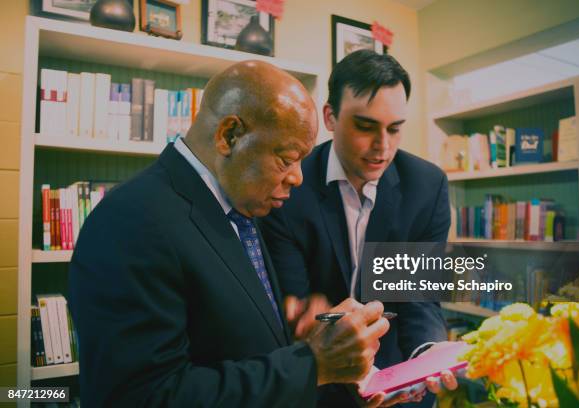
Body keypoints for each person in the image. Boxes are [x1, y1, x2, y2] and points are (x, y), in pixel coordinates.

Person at [69, 60, 394, 407]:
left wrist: (333, 367)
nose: (297, 178)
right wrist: (312, 363)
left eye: (397, 128)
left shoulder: (242, 204)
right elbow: (144, 396)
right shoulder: (130, 220)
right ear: (229, 136)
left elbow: (248, 348)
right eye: (286, 159)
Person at [260, 50, 456, 407]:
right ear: (330, 117)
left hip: (401, 380)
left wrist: (428, 352)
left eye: (395, 128)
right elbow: (295, 300)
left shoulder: (426, 187)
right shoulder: (289, 184)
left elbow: (418, 295)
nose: (383, 146)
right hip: (318, 380)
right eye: (366, 127)